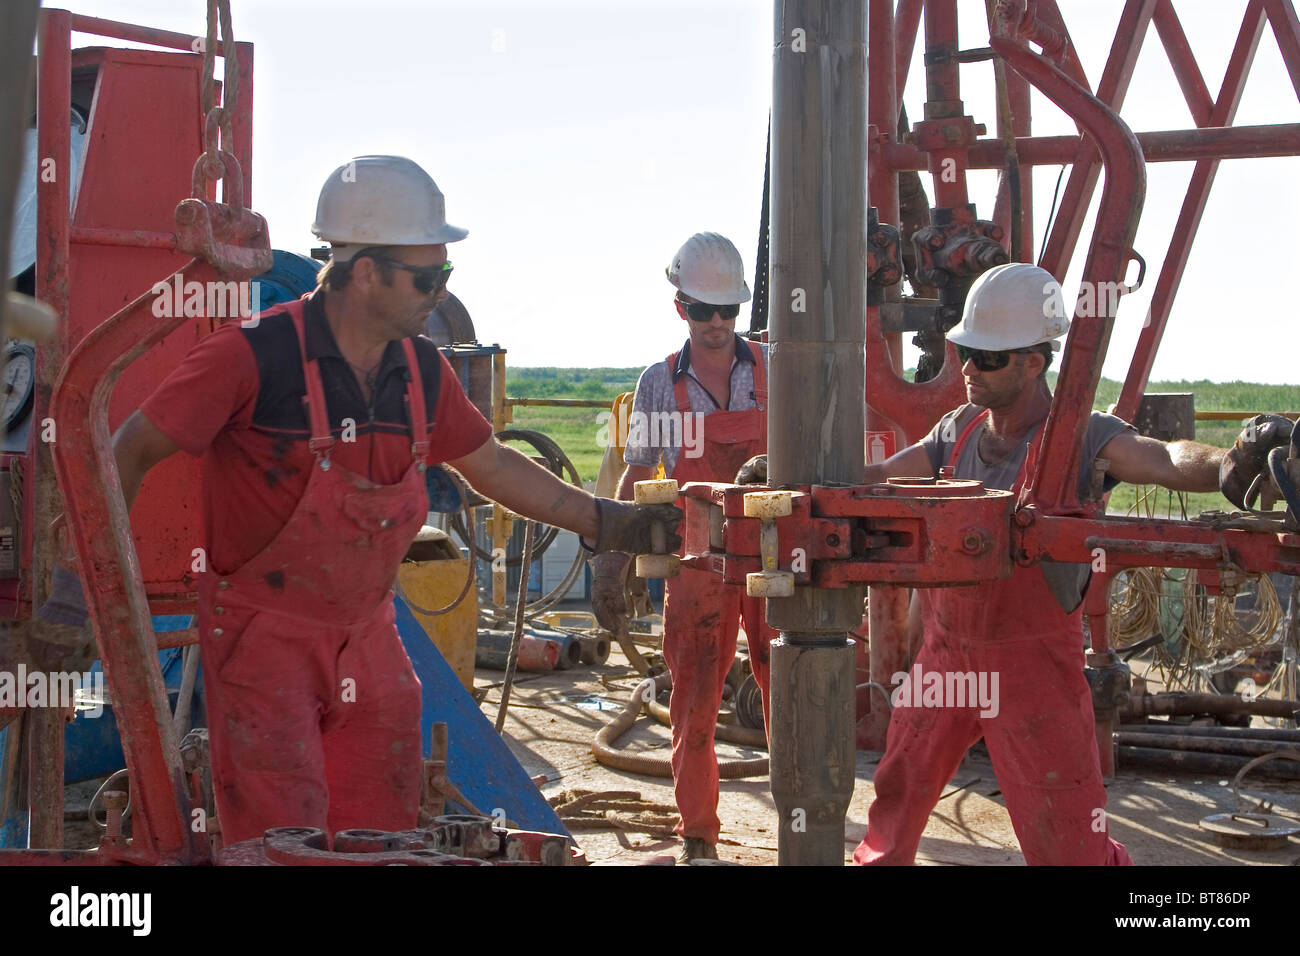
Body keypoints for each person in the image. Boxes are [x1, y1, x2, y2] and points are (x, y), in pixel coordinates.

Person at [44, 155, 680, 847]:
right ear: (366, 271)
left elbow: (491, 465)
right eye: (426, 276)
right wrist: (79, 588)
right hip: (265, 643)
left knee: (383, 831)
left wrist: (606, 520)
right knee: (282, 838)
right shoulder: (253, 356)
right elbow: (127, 451)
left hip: (371, 640)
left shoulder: (419, 370)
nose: (439, 293)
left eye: (446, 275)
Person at [742, 262, 1282, 865]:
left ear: (1035, 360)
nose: (969, 369)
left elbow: (1162, 457)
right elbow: (874, 481)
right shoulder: (959, 429)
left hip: (1034, 671)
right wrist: (793, 479)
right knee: (895, 801)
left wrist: (1229, 463)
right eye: (966, 351)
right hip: (945, 659)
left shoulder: (1079, 438)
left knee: (1068, 839)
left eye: (988, 358)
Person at [591, 232, 773, 863]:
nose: (717, 323)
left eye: (728, 311)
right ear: (681, 308)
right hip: (696, 564)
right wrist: (610, 563)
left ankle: (806, 835)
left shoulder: (776, 371)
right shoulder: (656, 385)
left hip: (774, 557)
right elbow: (639, 475)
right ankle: (698, 835)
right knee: (694, 700)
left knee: (791, 697)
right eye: (703, 310)